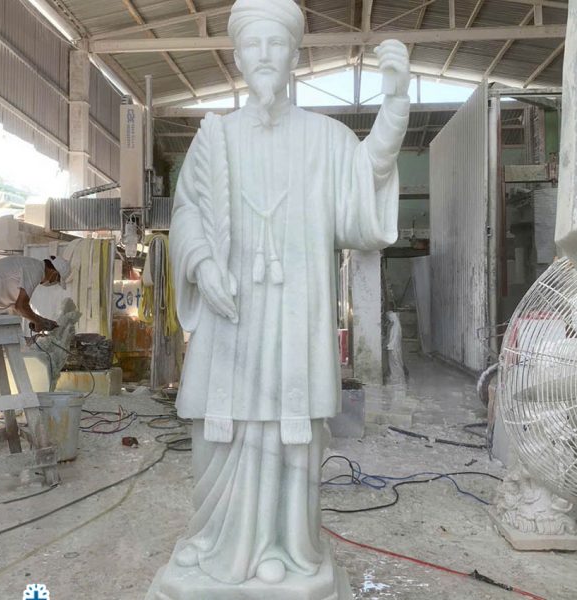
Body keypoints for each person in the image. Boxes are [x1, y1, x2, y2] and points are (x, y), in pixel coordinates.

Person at [153, 0, 410, 595]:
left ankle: (287, 548)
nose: (265, 55)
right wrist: (202, 264)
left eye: (276, 44)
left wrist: (395, 105)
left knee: (291, 433)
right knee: (218, 431)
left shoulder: (325, 138)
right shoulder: (214, 139)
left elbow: (364, 184)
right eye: (254, 45)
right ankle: (217, 543)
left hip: (295, 317)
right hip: (230, 314)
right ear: (237, 56)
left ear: (295, 55)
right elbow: (187, 212)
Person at [0, 255, 70, 333]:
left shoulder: (32, 265)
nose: (53, 283)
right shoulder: (36, 270)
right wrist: (38, 322)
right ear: (54, 273)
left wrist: (42, 321)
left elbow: (16, 308)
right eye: (56, 280)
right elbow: (21, 306)